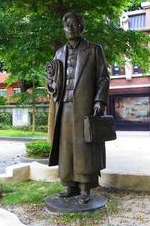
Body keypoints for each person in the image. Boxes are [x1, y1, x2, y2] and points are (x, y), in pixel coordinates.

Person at [47, 12, 109, 204]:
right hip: (64, 107)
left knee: (84, 147)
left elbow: (103, 77)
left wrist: (99, 101)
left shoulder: (94, 49)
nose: (70, 28)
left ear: (82, 27)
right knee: (66, 147)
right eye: (67, 25)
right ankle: (69, 185)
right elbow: (55, 85)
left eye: (74, 24)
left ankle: (85, 188)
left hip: (85, 108)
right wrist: (50, 81)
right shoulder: (58, 54)